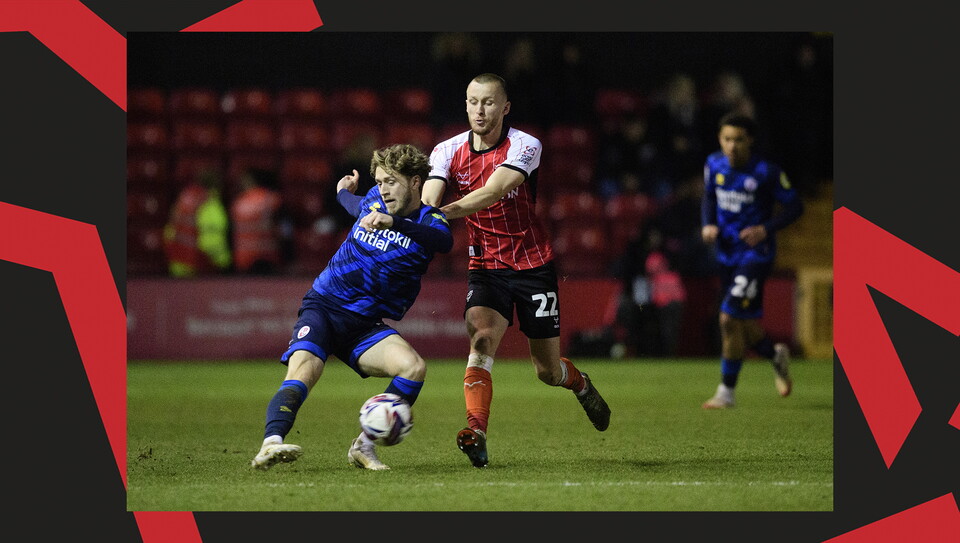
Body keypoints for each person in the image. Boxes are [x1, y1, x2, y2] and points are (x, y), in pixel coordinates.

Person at [422, 72, 610, 468]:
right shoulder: (446, 150)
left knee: (546, 370)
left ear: (505, 107)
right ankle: (476, 431)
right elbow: (428, 197)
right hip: (485, 266)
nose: (479, 110)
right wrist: (418, 213)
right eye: (473, 101)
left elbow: (492, 191)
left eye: (489, 102)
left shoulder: (526, 145)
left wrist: (436, 215)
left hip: (532, 264)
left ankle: (579, 383)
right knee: (481, 341)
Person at [250, 143, 452, 471]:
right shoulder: (373, 200)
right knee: (305, 371)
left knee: (413, 368)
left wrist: (393, 223)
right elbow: (352, 204)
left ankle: (363, 446)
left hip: (363, 324)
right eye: (380, 181)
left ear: (416, 182)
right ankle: (271, 444)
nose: (383, 190)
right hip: (324, 308)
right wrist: (342, 191)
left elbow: (443, 242)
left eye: (392, 182)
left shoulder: (431, 221)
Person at [700, 112, 804, 409]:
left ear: (751, 140)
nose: (732, 146)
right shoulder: (713, 163)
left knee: (728, 317)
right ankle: (775, 356)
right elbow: (709, 196)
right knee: (744, 326)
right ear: (720, 140)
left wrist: (765, 229)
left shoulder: (766, 172)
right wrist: (708, 223)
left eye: (739, 140)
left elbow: (795, 206)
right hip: (726, 252)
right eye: (727, 139)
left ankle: (726, 393)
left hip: (755, 255)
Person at [163, 168, 232, 277]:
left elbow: (169, 233)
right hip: (198, 268)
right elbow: (211, 242)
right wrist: (225, 264)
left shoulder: (183, 200)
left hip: (177, 265)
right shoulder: (210, 205)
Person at [229, 168, 291, 275]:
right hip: (268, 258)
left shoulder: (238, 203)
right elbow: (286, 229)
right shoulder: (272, 199)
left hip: (243, 260)